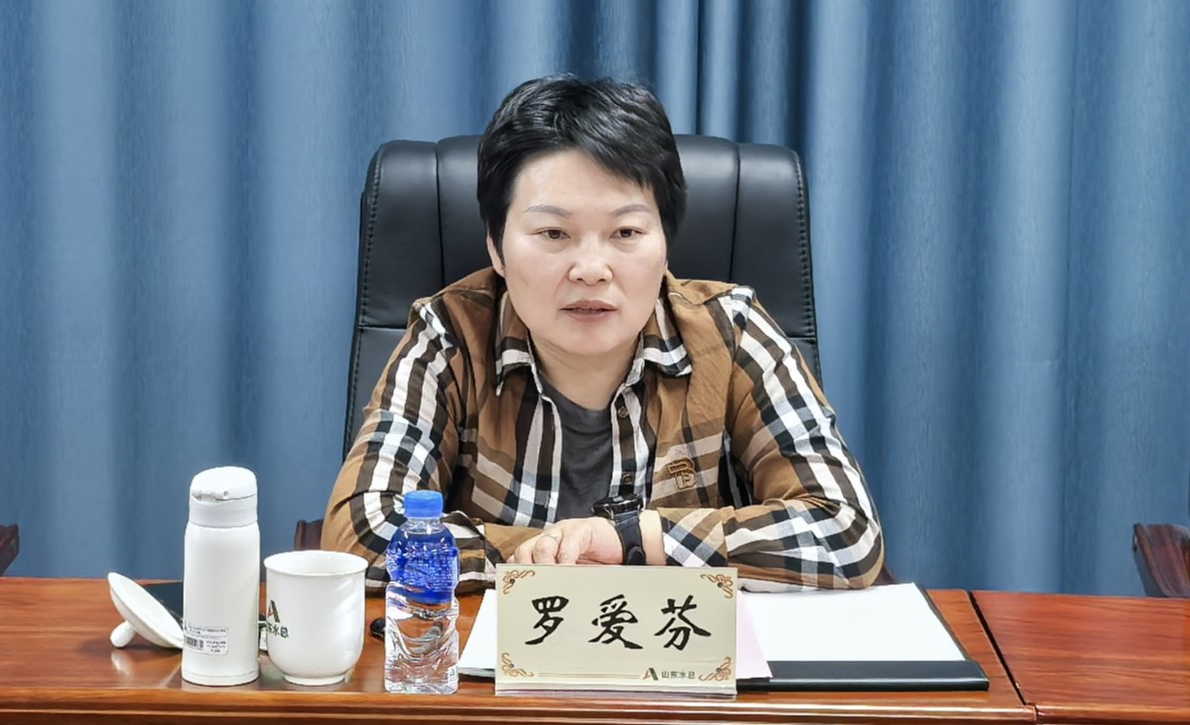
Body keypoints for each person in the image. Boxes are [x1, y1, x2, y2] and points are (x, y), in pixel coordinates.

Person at [323, 74, 884, 593]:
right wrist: (541, 556)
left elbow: (847, 531)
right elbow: (362, 535)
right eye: (553, 233)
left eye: (626, 232)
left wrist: (634, 540)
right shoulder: (449, 336)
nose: (591, 269)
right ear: (496, 247)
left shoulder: (732, 331)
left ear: (665, 243)